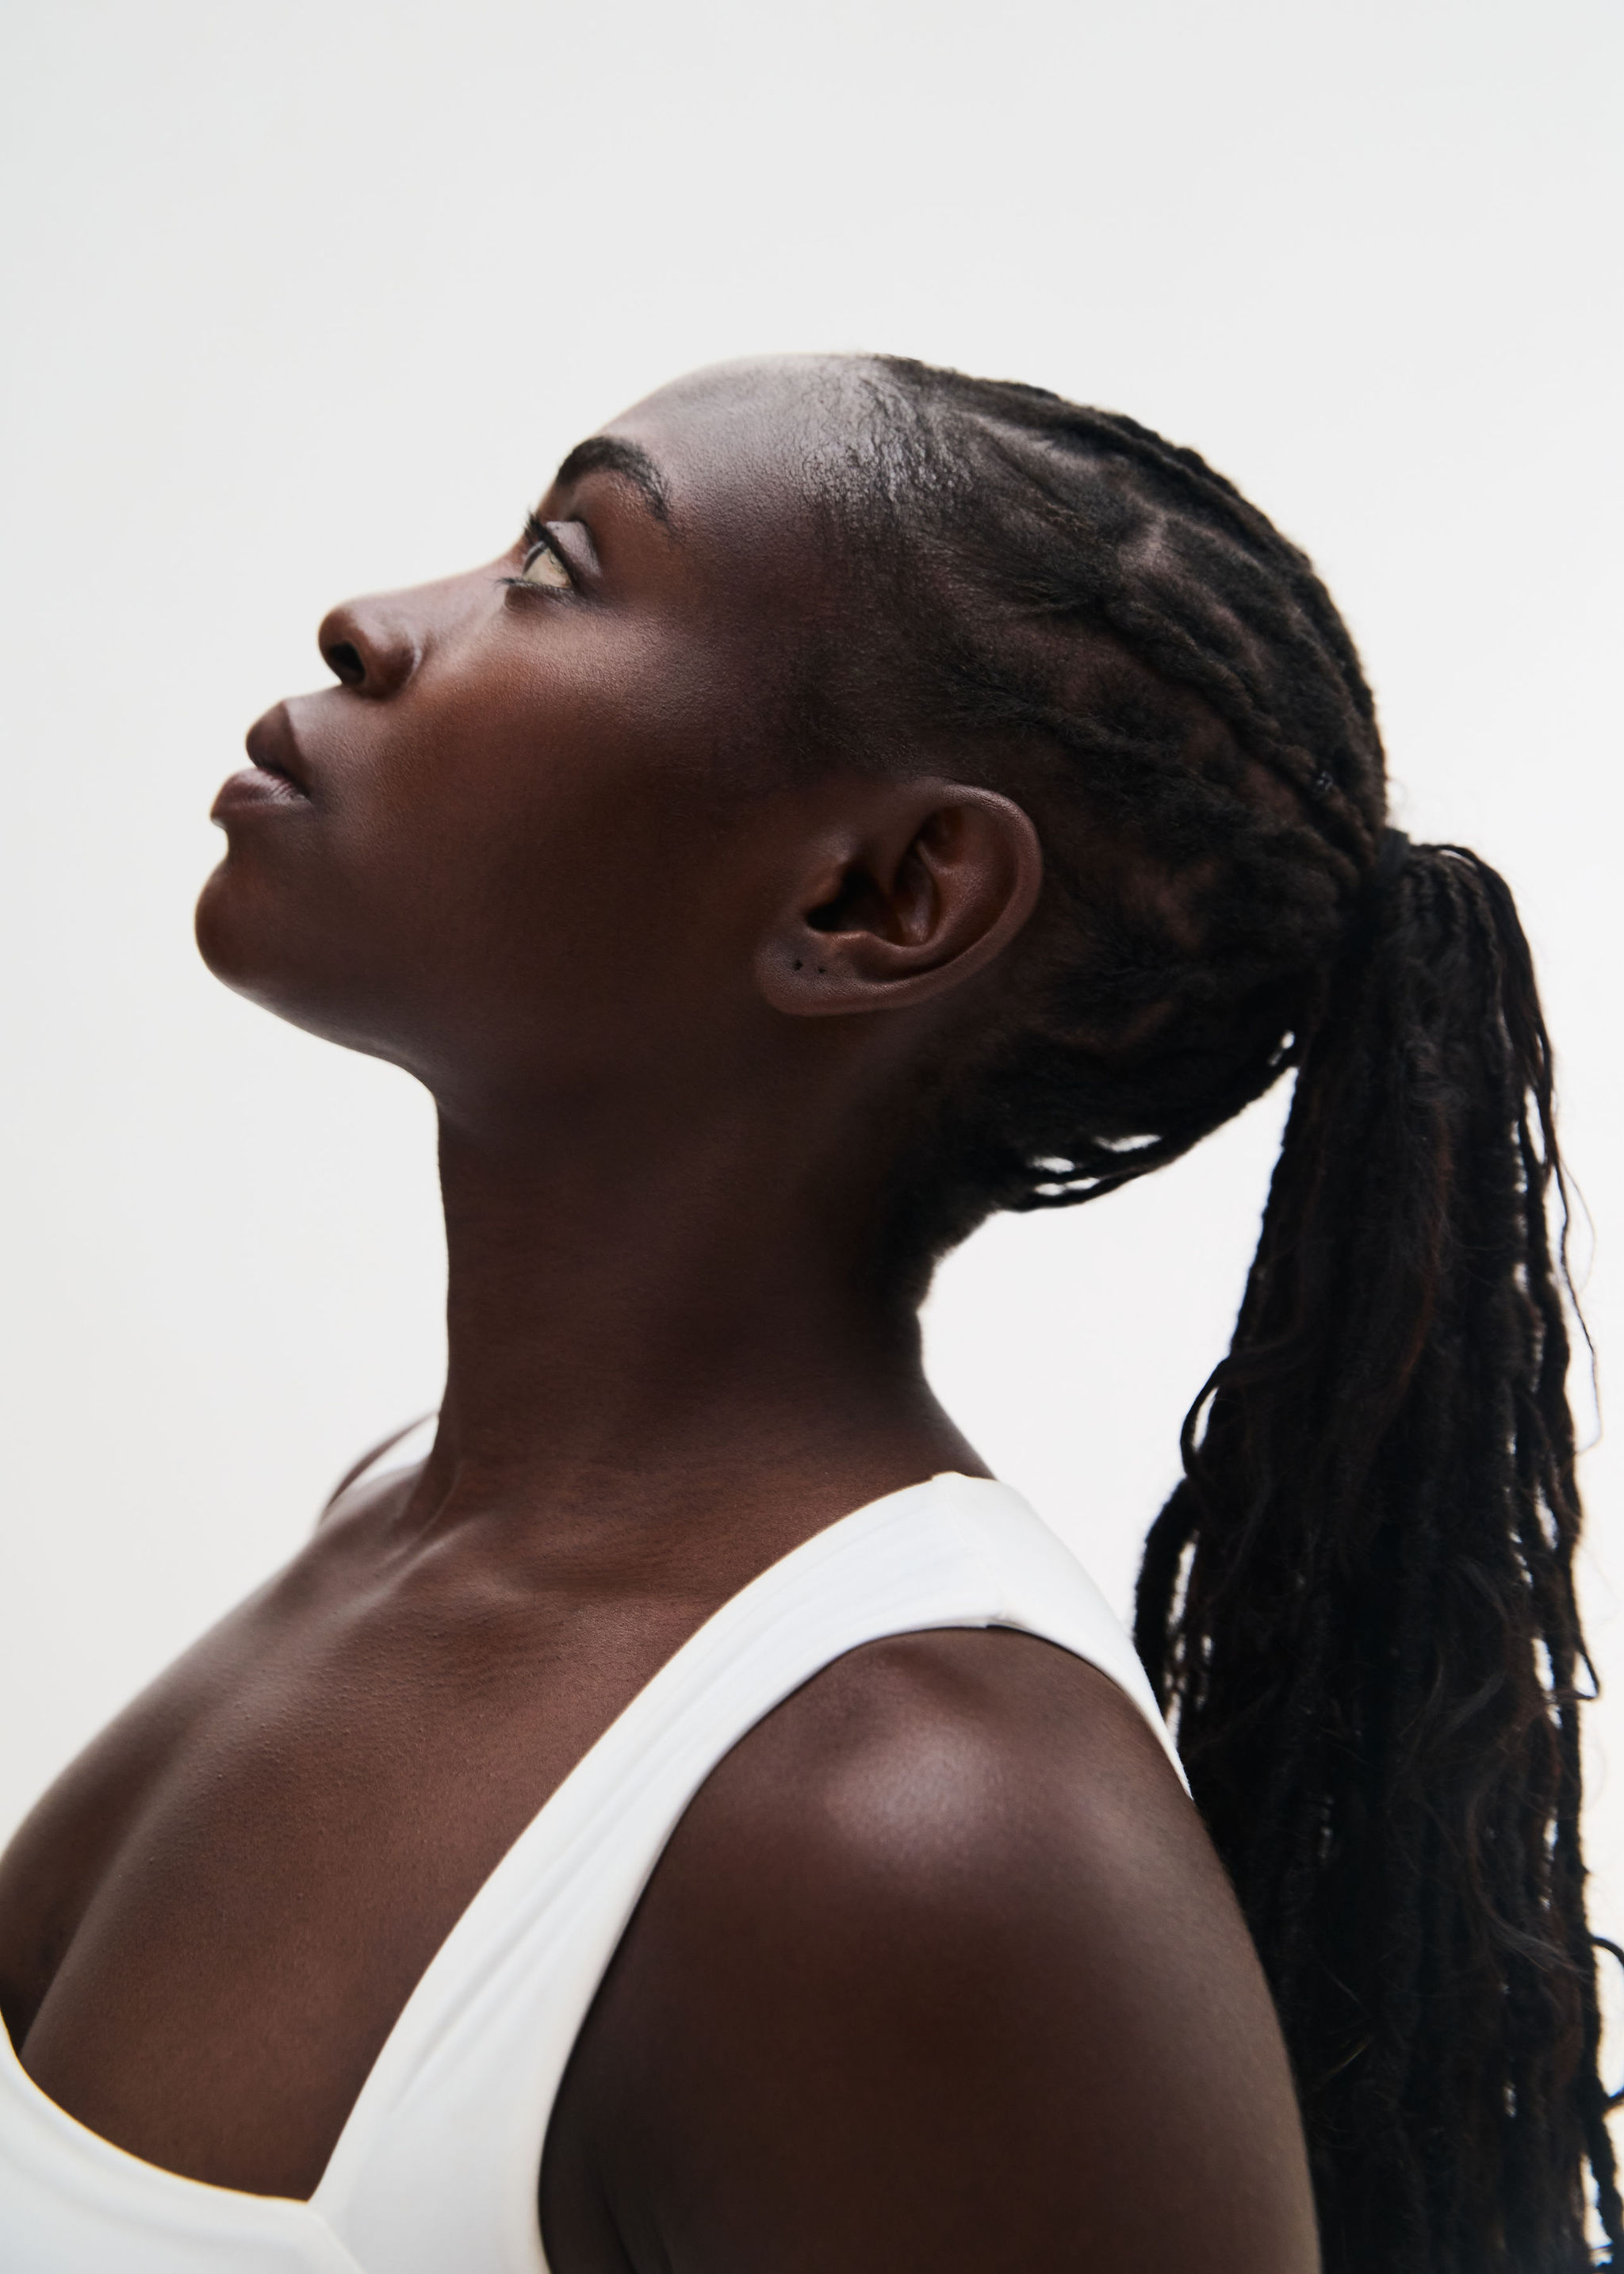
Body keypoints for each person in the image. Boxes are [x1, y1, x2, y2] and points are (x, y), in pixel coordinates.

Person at [0, 354, 1613, 2274]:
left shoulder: (910, 1833)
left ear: (877, 898)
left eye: (556, 564)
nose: (371, 625)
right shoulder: (400, 1514)